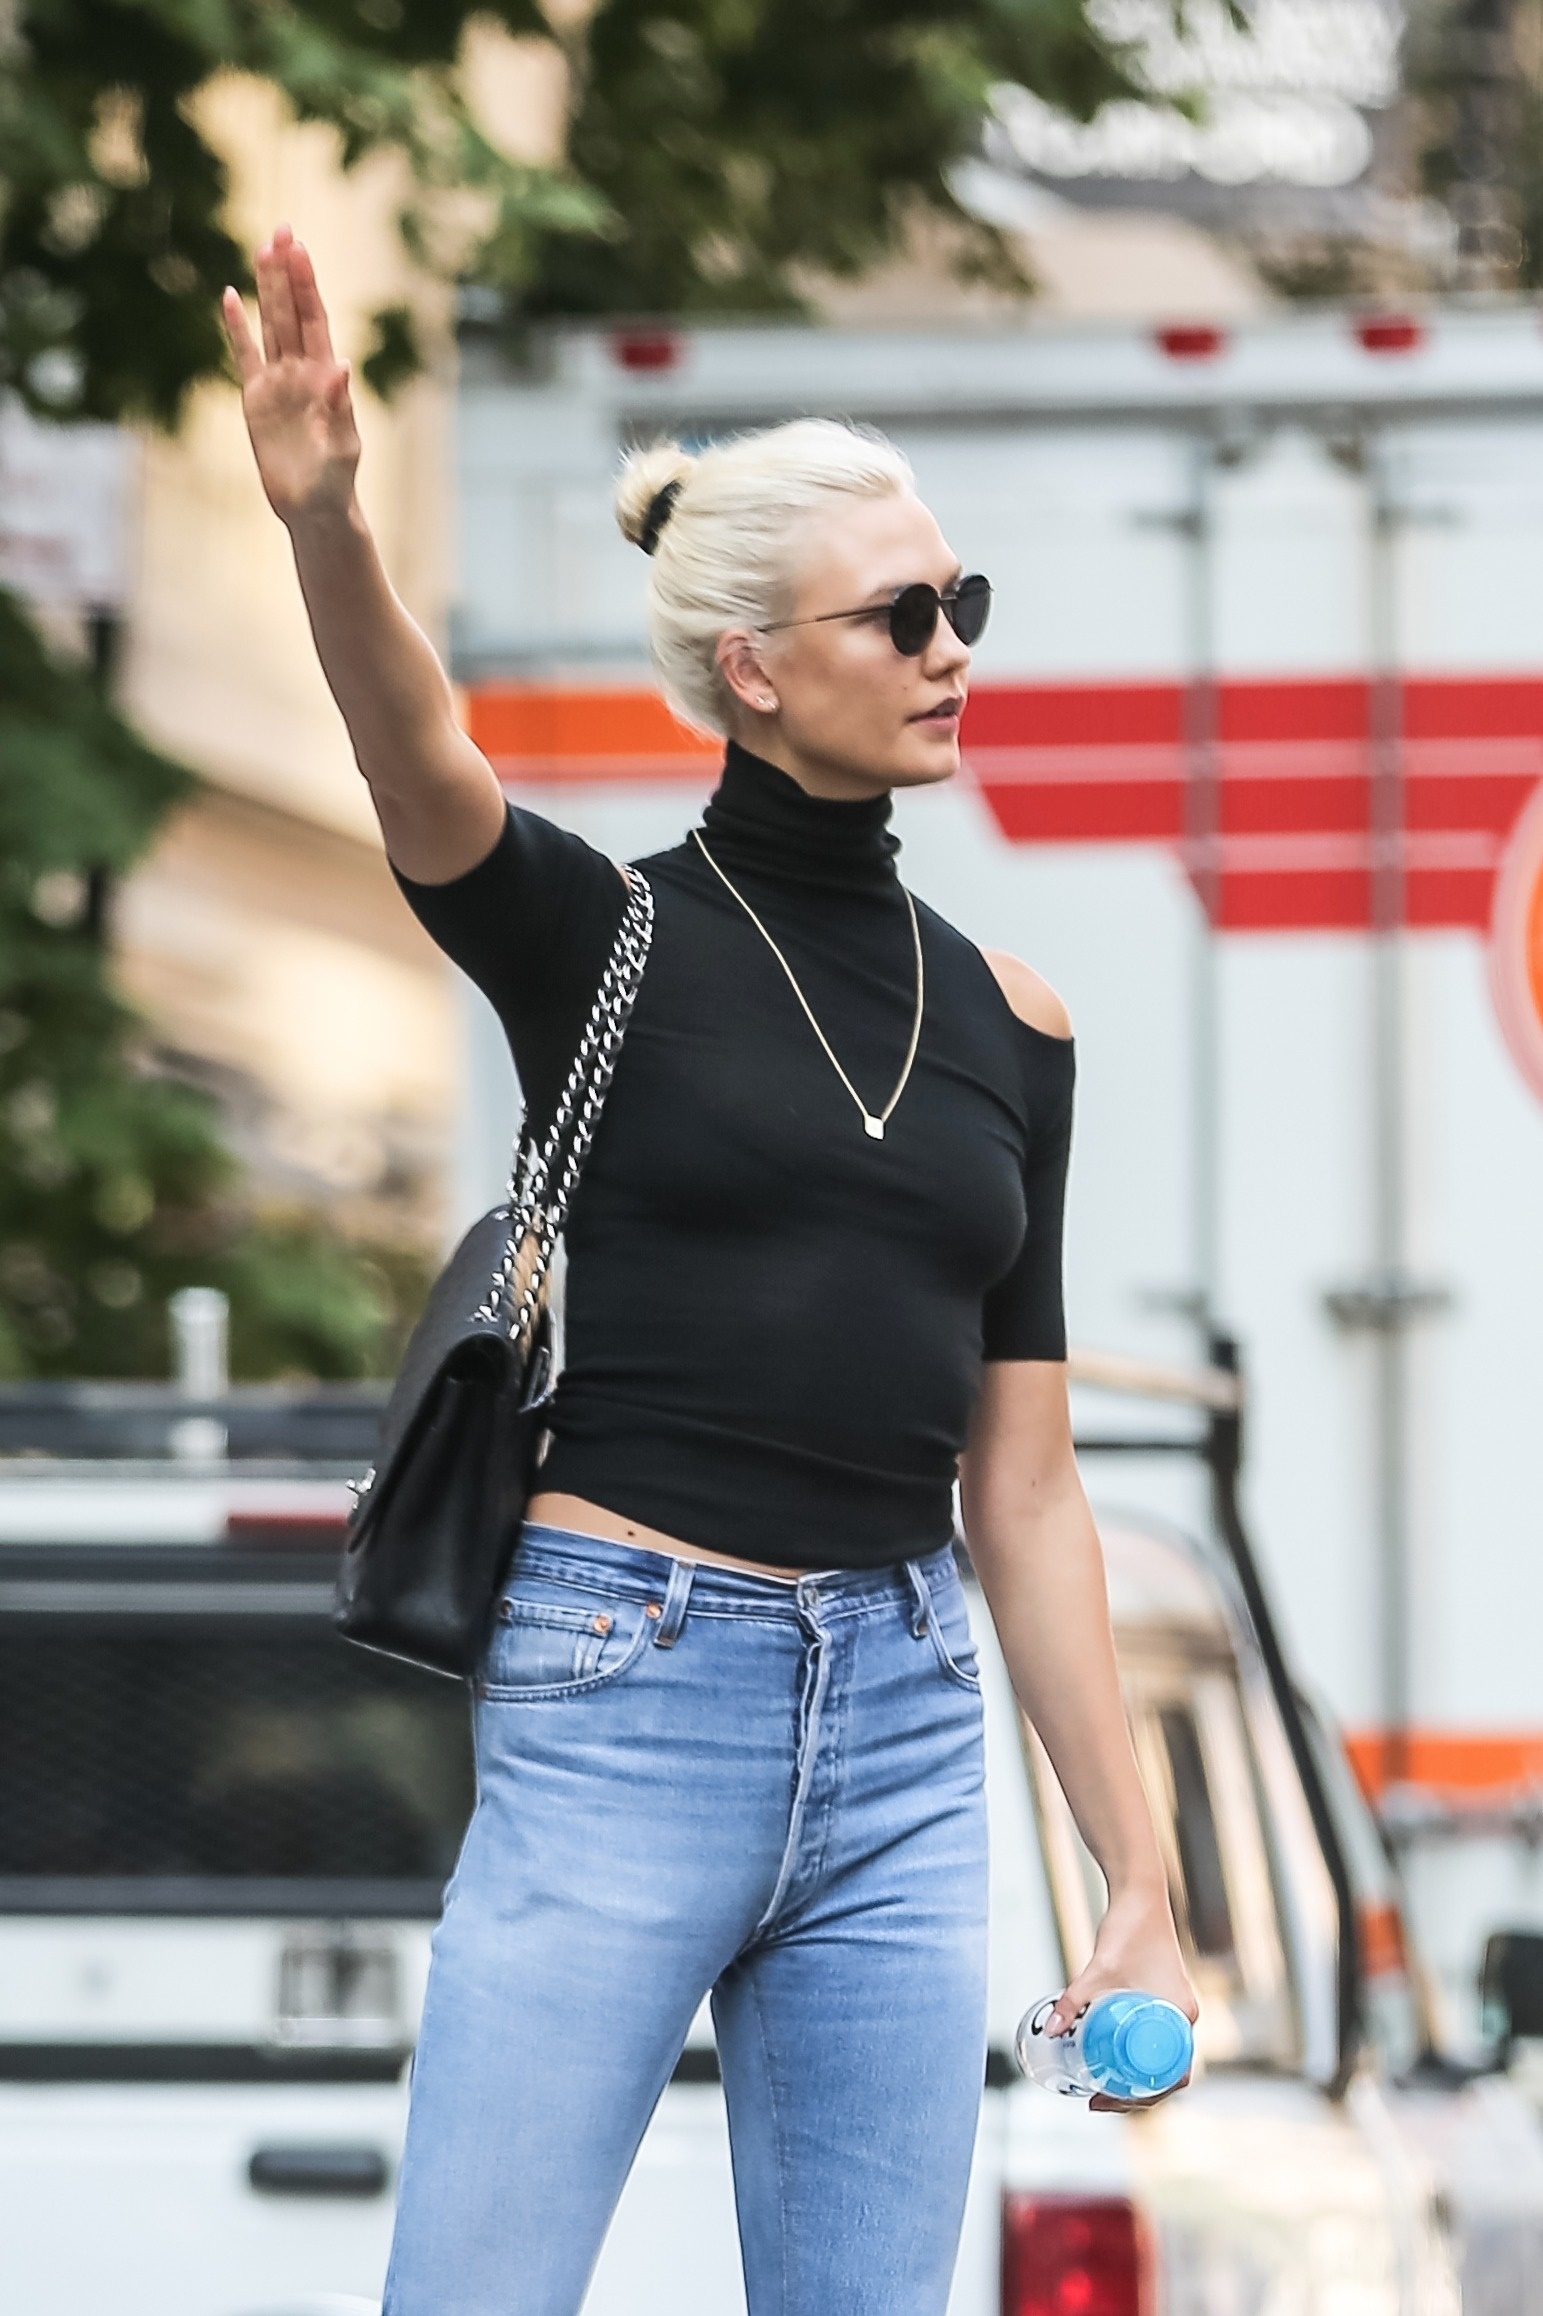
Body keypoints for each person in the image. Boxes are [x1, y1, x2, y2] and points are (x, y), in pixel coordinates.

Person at [224, 227, 1197, 2316]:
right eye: (902, 616)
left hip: (908, 1726)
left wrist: (1140, 1873)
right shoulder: (604, 936)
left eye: (964, 605)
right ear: (752, 665)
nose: (952, 649)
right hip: (626, 1685)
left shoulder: (1014, 1026)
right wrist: (324, 524)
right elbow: (415, 758)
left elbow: (1025, 1489)